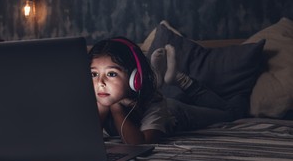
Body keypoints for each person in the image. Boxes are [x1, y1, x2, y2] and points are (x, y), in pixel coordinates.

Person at [88, 36, 245, 145]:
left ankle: (181, 80)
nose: (100, 82)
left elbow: (139, 144)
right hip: (160, 105)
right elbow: (88, 139)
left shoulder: (153, 102)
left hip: (177, 114)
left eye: (111, 74)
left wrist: (116, 109)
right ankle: (162, 78)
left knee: (231, 113)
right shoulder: (97, 99)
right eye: (94, 74)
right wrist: (102, 108)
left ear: (135, 78)